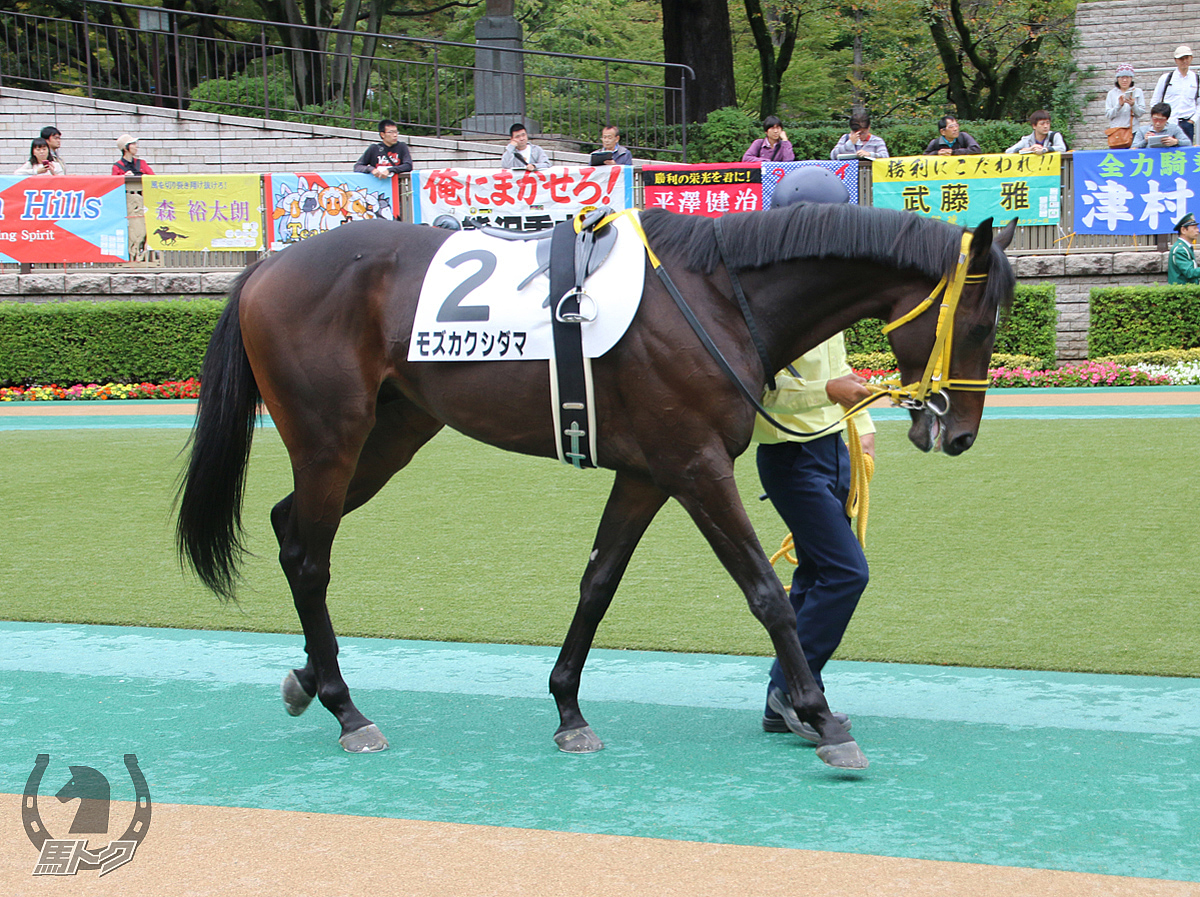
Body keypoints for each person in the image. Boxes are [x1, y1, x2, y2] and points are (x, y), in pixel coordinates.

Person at [753, 165, 873, 744]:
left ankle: (785, 698)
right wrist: (828, 393)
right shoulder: (765, 294)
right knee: (848, 573)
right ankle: (793, 691)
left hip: (832, 447)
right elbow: (752, 385)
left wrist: (864, 422)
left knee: (818, 573)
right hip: (788, 454)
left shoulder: (824, 290)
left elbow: (841, 372)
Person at [1150, 46, 1199, 143]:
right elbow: (1155, 101)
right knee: (1164, 151)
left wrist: (1192, 120)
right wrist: (1160, 120)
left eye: (1187, 58)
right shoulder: (1166, 78)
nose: (1184, 61)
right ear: (1176, 60)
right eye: (1181, 58)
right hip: (1167, 123)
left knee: (1185, 153)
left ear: (1191, 58)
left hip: (1187, 123)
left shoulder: (1196, 79)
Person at [1105, 63, 1146, 143]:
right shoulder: (1111, 93)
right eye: (1121, 77)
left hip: (1133, 131)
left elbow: (1140, 113)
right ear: (1117, 79)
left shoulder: (1137, 91)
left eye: (1127, 77)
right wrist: (1119, 105)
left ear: (1131, 78)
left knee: (1134, 154)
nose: (1124, 80)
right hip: (1116, 131)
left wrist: (1133, 105)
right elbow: (1108, 114)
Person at [1167, 212, 1200, 285]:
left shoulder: (1185, 247)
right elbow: (1189, 272)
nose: (1197, 230)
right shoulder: (1180, 249)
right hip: (1182, 294)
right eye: (1194, 228)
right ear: (1183, 230)